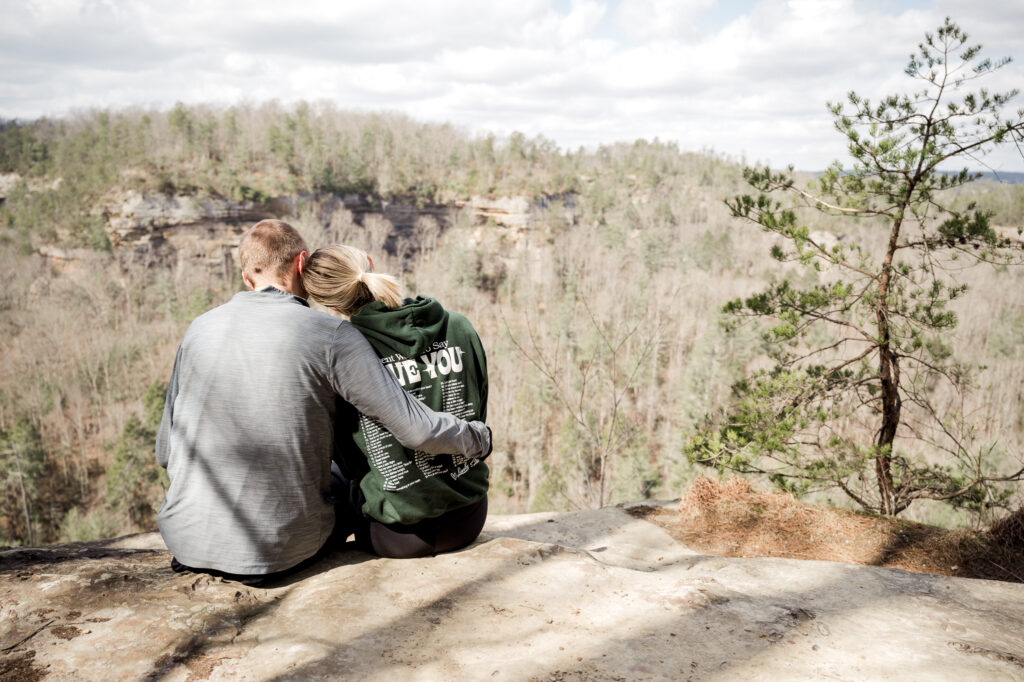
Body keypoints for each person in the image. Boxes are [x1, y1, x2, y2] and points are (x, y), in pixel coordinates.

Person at [155, 220, 491, 585]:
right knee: (342, 478)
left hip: (185, 544)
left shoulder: (198, 328)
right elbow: (413, 429)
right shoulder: (331, 335)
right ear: (302, 264)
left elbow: (164, 451)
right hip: (279, 552)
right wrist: (480, 438)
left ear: (246, 278)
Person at [302, 244, 490, 559]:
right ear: (371, 265)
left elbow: (348, 459)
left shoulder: (345, 357)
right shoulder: (459, 326)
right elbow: (477, 413)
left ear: (329, 306)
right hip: (469, 518)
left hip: (394, 534)